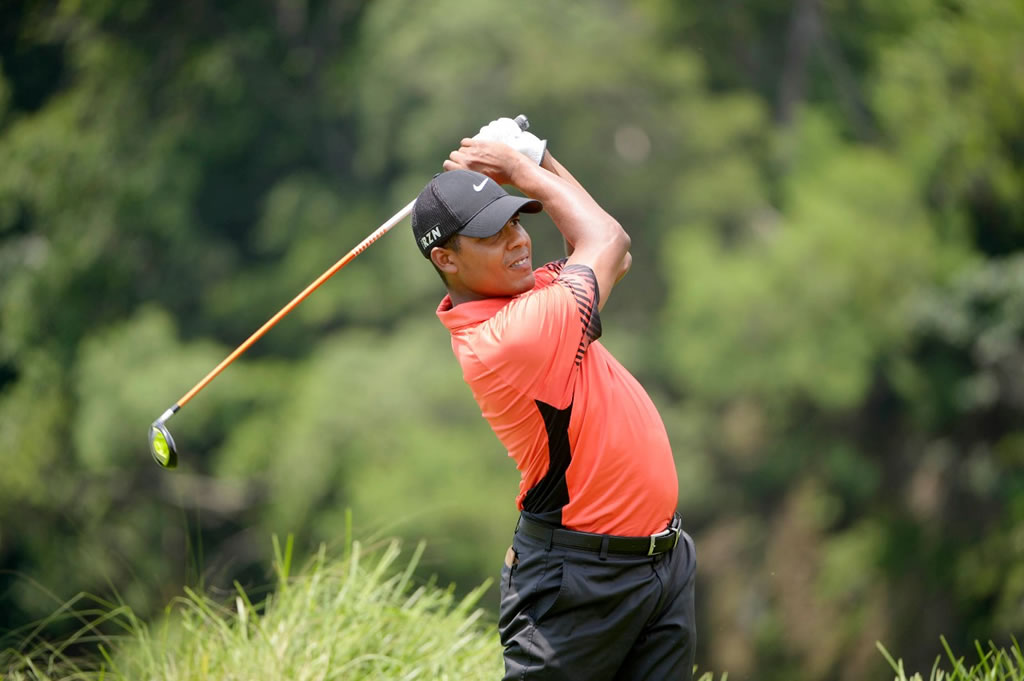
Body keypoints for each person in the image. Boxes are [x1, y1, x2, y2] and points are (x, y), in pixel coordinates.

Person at [411, 117, 697, 680]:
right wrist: (521, 169)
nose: (518, 241)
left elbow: (609, 245)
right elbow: (607, 243)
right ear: (446, 258)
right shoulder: (509, 338)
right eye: (493, 234)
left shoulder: (531, 293)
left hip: (661, 562)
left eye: (517, 221)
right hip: (578, 582)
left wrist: (536, 158)